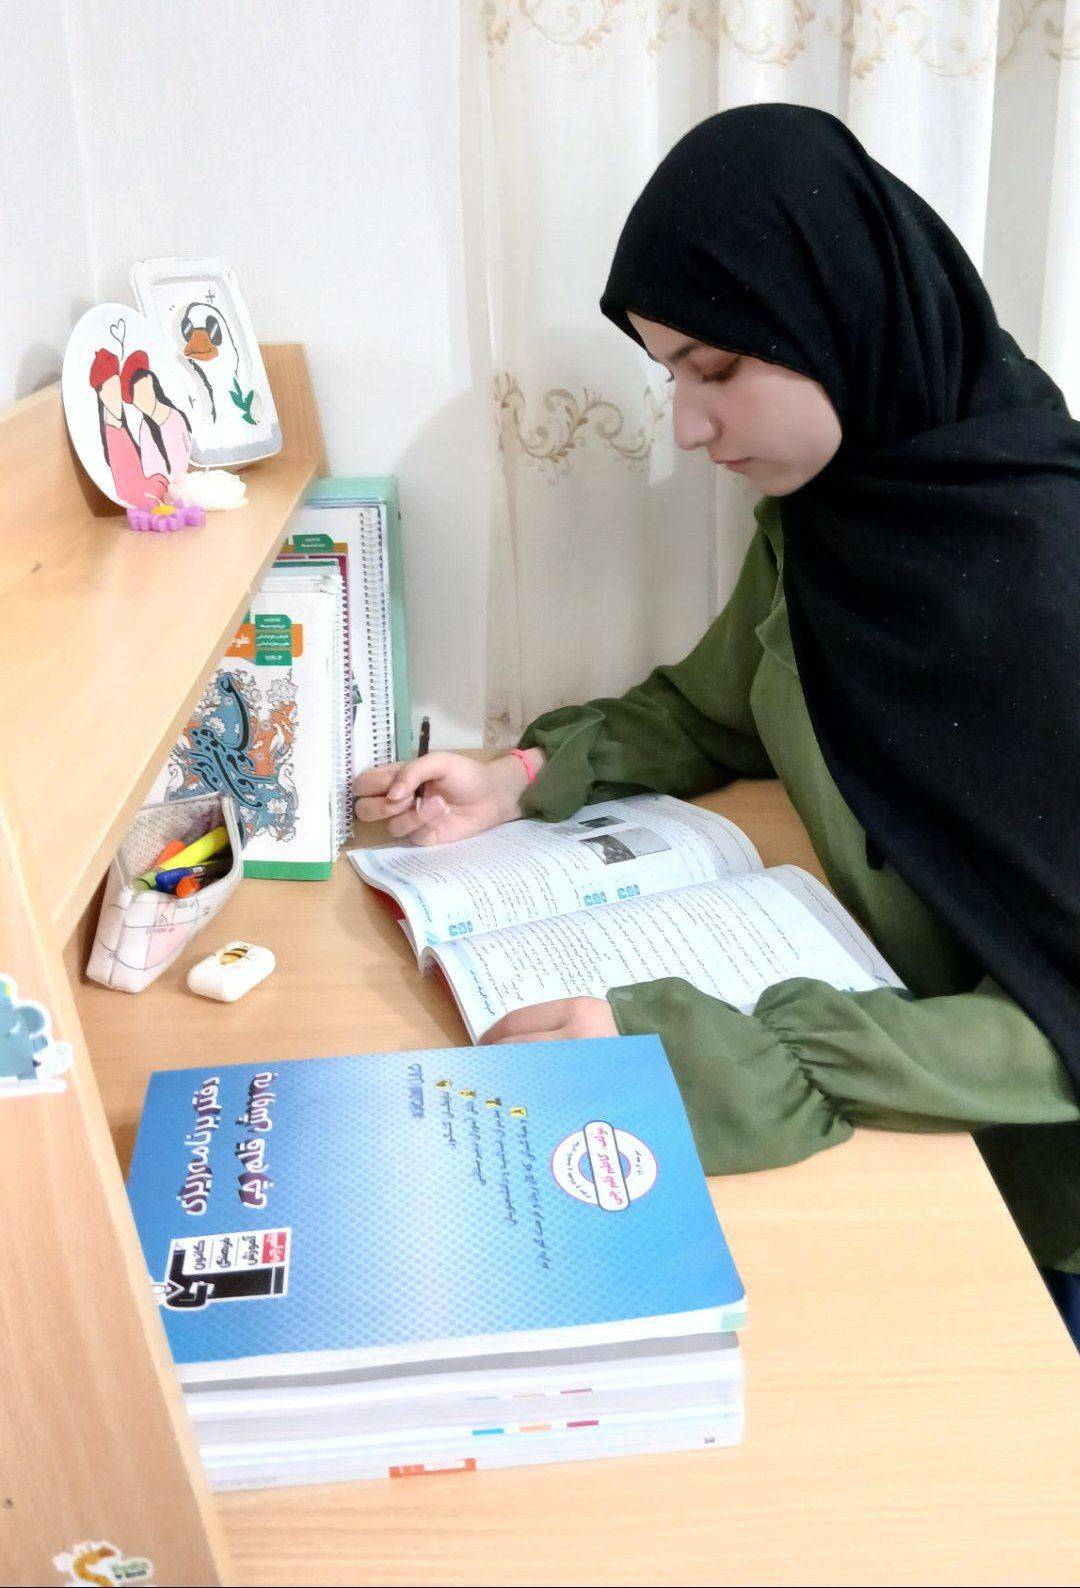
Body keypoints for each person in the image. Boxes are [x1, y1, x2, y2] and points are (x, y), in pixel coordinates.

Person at [354, 104, 1080, 1345]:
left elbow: (1055, 1029)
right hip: (909, 1121)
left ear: (840, 314)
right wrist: (521, 773)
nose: (688, 428)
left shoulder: (1049, 577)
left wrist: (691, 1054)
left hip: (1028, 1210)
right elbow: (720, 703)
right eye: (671, 375)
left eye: (718, 369)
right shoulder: (840, 513)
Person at [88, 348, 168, 507]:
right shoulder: (112, 431)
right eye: (111, 389)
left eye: (117, 388)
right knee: (161, 481)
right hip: (134, 491)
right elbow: (126, 478)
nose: (116, 395)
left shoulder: (120, 427)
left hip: (139, 486)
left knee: (162, 479)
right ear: (101, 395)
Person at [121, 352, 193, 492]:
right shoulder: (145, 428)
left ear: (151, 381)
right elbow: (149, 467)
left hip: (185, 484)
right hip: (164, 490)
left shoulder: (176, 416)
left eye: (144, 391)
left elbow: (188, 449)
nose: (144, 401)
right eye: (138, 399)